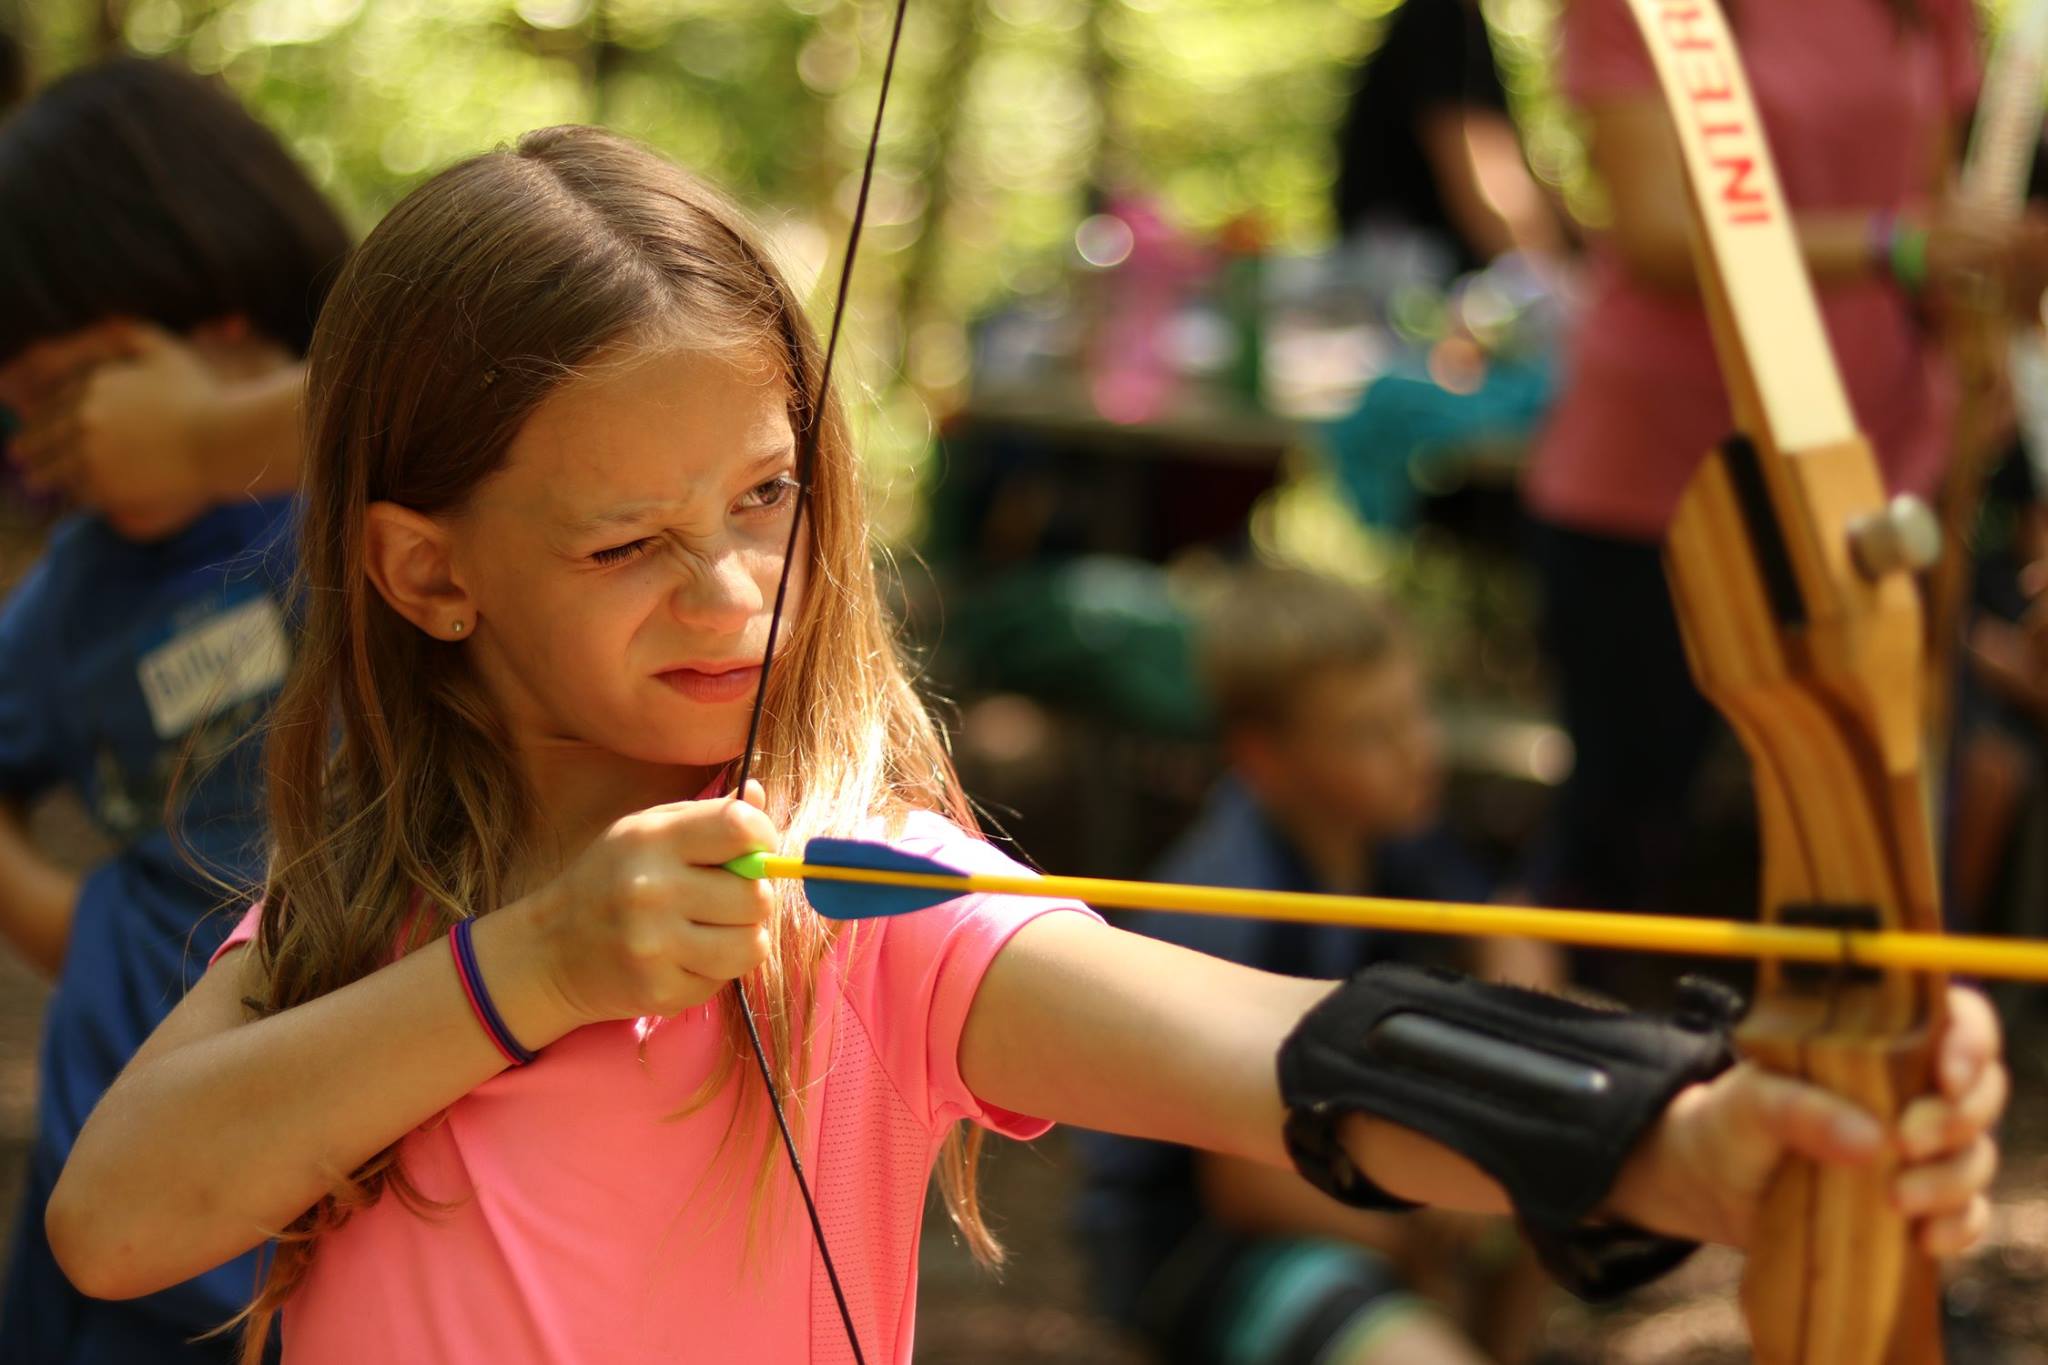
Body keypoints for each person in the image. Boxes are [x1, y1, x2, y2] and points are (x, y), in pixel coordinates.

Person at [44, 127, 2005, 1365]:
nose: (734, 595)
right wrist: (534, 964)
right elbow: (119, 1219)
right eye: (627, 542)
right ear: (423, 571)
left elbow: (1271, 1051)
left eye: (766, 495)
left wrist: (1691, 1130)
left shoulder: (851, 889)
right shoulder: (373, 910)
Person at [1521, 0, 2032, 918]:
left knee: (1880, 845)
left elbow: (1934, 202)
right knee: (1626, 837)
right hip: (1667, 483)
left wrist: (1977, 328)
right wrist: (1898, 248)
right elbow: (1660, 234)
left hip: (1869, 460)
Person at [0, 58, 349, 1364]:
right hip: (98, 1214)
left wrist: (210, 443)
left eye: (68, 389)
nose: (42, 449)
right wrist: (84, 932)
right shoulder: (83, 585)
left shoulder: (386, 501)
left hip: (329, 1217)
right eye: (17, 410)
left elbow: (517, 378)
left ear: (207, 306)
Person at [1072, 566, 1557, 1365]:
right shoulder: (1232, 901)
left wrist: (1497, 1103)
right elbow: (1244, 1185)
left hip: (1336, 1167)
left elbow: (1512, 928)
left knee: (1556, 1118)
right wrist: (1419, 1219)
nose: (1418, 752)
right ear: (1265, 757)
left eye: (1415, 714)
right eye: (1372, 732)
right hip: (1210, 1245)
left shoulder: (1388, 827)